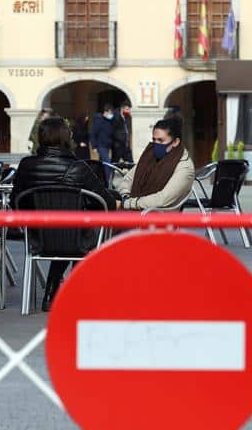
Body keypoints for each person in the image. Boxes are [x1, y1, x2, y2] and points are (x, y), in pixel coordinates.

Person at [11, 117, 120, 311]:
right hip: (76, 238)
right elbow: (107, 204)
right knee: (78, 229)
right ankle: (77, 289)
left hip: (37, 237)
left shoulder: (26, 165)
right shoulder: (79, 168)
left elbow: (15, 201)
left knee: (65, 230)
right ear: (66, 138)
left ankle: (53, 292)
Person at [116, 117, 195, 211]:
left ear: (175, 142)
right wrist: (125, 196)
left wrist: (128, 203)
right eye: (154, 140)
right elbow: (128, 179)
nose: (156, 144)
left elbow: (163, 199)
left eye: (161, 140)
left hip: (159, 217)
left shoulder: (184, 167)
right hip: (136, 209)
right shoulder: (149, 156)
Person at [90, 103, 116, 185]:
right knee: (107, 163)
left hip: (107, 145)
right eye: (110, 113)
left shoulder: (110, 121)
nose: (111, 115)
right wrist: (94, 146)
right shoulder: (98, 120)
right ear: (106, 112)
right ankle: (108, 182)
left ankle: (99, 180)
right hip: (101, 146)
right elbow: (93, 133)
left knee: (101, 164)